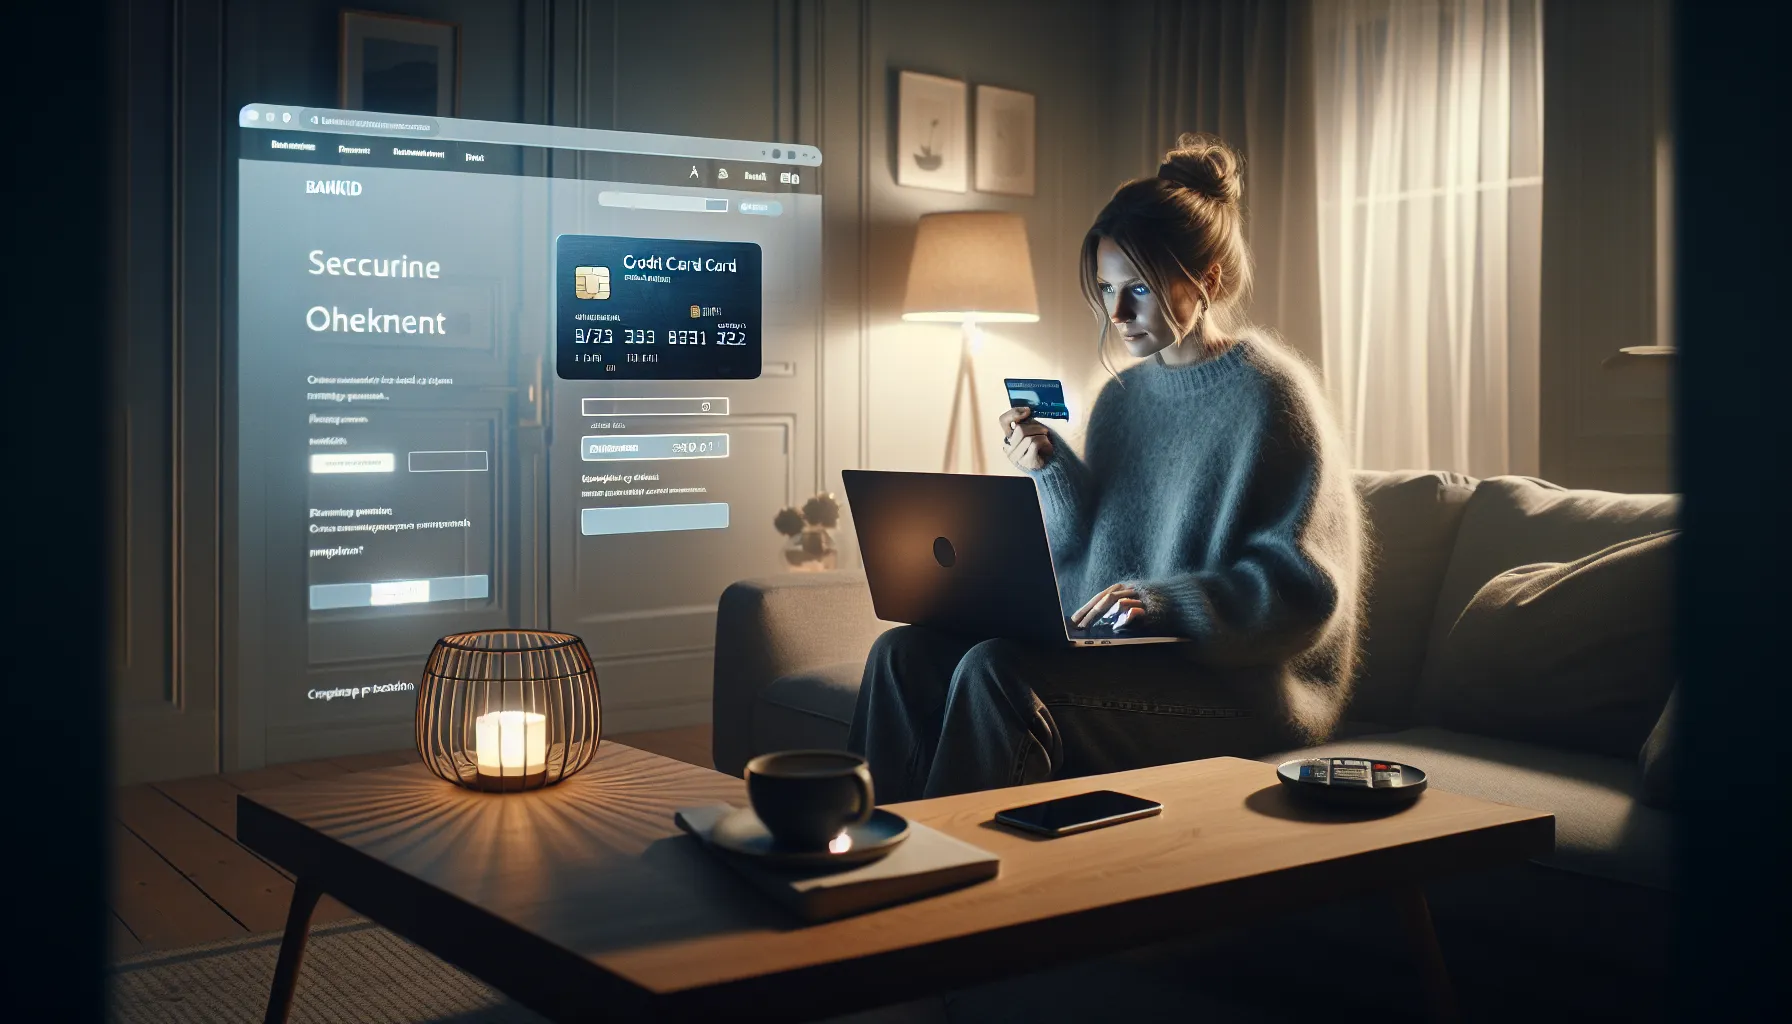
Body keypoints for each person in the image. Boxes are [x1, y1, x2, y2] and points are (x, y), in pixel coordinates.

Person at [847, 134, 1366, 802]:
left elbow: (1303, 595)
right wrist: (1052, 472)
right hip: (1129, 664)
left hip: (1243, 689)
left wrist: (1164, 601)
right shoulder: (1120, 400)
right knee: (904, 655)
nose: (1117, 314)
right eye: (1106, 289)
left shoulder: (1273, 395)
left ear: (1205, 280)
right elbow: (1089, 560)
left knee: (998, 672)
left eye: (1139, 289)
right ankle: (862, 852)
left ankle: (948, 885)